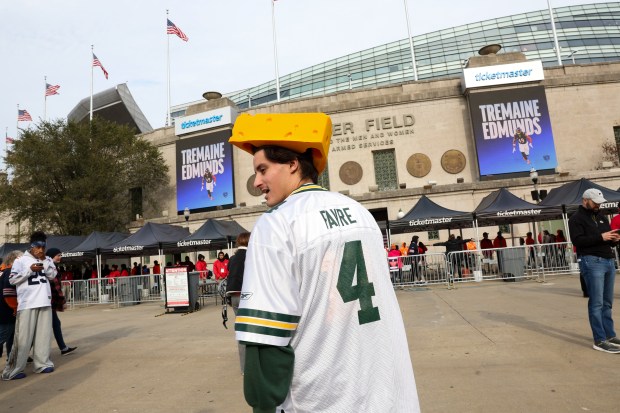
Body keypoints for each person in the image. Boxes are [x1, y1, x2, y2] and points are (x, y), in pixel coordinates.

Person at [229, 113, 418, 412]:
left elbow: (265, 341)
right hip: (386, 391)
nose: (257, 182)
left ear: (293, 164)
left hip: (321, 395)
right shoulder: (360, 212)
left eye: (263, 169)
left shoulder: (277, 222)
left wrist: (262, 404)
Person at [568, 188, 620, 353]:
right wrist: (601, 237)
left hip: (608, 260)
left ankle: (610, 335)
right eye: (595, 202)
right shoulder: (576, 219)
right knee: (597, 302)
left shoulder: (602, 217)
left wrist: (613, 240)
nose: (598, 205)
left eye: (600, 202)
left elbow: (606, 240)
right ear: (585, 200)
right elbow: (577, 241)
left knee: (607, 302)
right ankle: (599, 339)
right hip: (592, 261)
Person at [2, 231, 57, 380]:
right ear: (31, 246)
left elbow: (52, 275)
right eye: (37, 247)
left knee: (43, 336)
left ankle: (42, 364)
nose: (40, 250)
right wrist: (29, 270)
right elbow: (12, 280)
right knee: (23, 339)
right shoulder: (21, 260)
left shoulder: (47, 260)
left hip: (44, 301)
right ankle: (12, 370)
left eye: (43, 247)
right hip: (27, 303)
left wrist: (45, 261)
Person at [226, 232, 251, 373]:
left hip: (233, 296)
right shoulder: (251, 256)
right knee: (253, 330)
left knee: (241, 331)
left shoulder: (233, 258)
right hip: (247, 296)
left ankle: (244, 368)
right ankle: (252, 366)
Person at [46, 248, 77, 356]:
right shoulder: (51, 268)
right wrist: (63, 301)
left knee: (55, 324)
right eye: (58, 255)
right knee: (42, 328)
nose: (60, 257)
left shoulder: (51, 267)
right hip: (48, 302)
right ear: (51, 256)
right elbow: (56, 287)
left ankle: (63, 348)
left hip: (49, 302)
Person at [0, 251, 23, 361]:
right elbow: (8, 293)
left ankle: (11, 358)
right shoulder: (9, 272)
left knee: (11, 336)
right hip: (6, 311)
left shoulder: (4, 271)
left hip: (5, 310)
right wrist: (15, 308)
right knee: (4, 335)